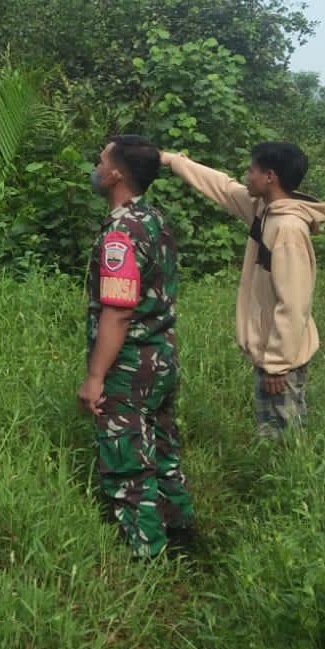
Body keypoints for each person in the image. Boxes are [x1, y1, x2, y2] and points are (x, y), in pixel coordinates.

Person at [159, 142, 325, 439]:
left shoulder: (288, 228)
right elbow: (223, 187)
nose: (246, 176)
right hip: (272, 352)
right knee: (276, 432)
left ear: (270, 177)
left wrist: (277, 364)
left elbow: (294, 303)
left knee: (284, 439)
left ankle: (290, 485)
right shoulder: (265, 210)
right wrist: (171, 161)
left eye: (251, 170)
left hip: (281, 359)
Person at [78, 134, 194, 558]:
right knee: (163, 449)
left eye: (101, 158)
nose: (96, 164)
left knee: (128, 464)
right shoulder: (153, 219)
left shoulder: (120, 234)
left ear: (114, 175)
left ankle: (147, 557)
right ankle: (180, 533)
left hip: (130, 366)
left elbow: (119, 311)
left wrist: (95, 377)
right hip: (161, 360)